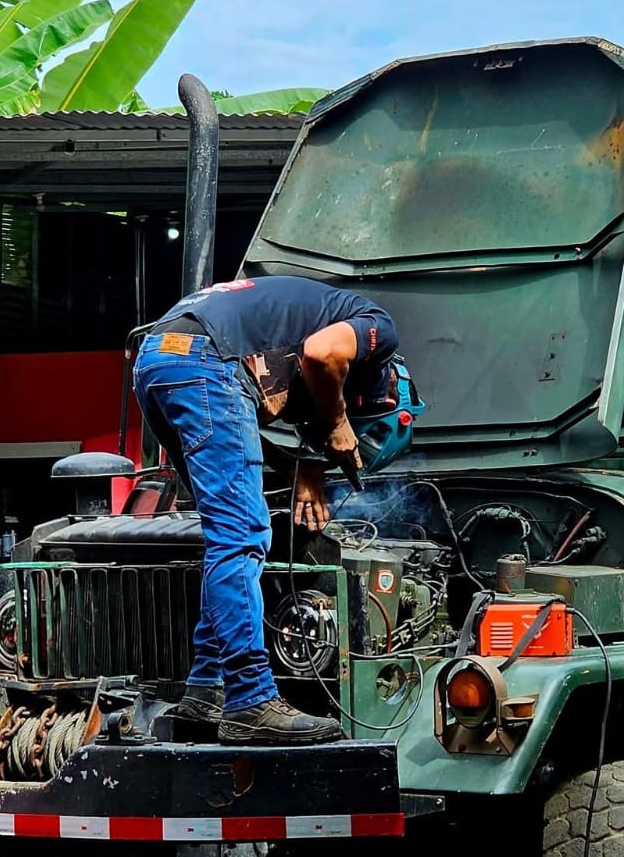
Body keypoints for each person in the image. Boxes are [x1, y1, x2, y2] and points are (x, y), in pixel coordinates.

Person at [133, 275, 418, 745]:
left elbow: (257, 403)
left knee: (224, 537)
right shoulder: (378, 329)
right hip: (207, 361)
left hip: (158, 356)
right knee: (242, 537)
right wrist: (339, 423)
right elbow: (323, 355)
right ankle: (251, 700)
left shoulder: (292, 331)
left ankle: (209, 687)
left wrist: (303, 465)